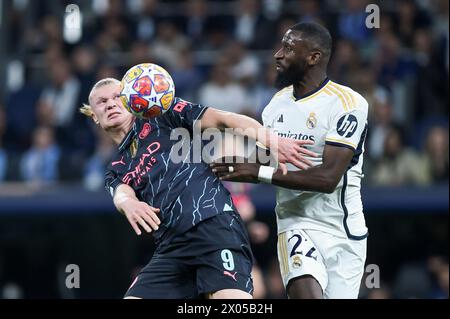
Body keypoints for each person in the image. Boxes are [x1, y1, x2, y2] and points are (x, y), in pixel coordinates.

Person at [79, 77, 314, 299]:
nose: (110, 104)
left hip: (215, 228)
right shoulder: (116, 168)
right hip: (171, 249)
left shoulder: (163, 115)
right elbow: (121, 193)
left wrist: (271, 139)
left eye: (117, 97)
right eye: (102, 101)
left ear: (131, 100)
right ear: (95, 118)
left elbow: (226, 119)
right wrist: (128, 203)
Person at [211, 22, 369, 299]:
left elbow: (327, 178)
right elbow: (261, 161)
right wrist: (229, 166)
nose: (278, 54)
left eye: (288, 48)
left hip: (343, 231)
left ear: (313, 57)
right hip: (294, 222)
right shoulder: (276, 104)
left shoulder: (349, 104)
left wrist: (257, 171)